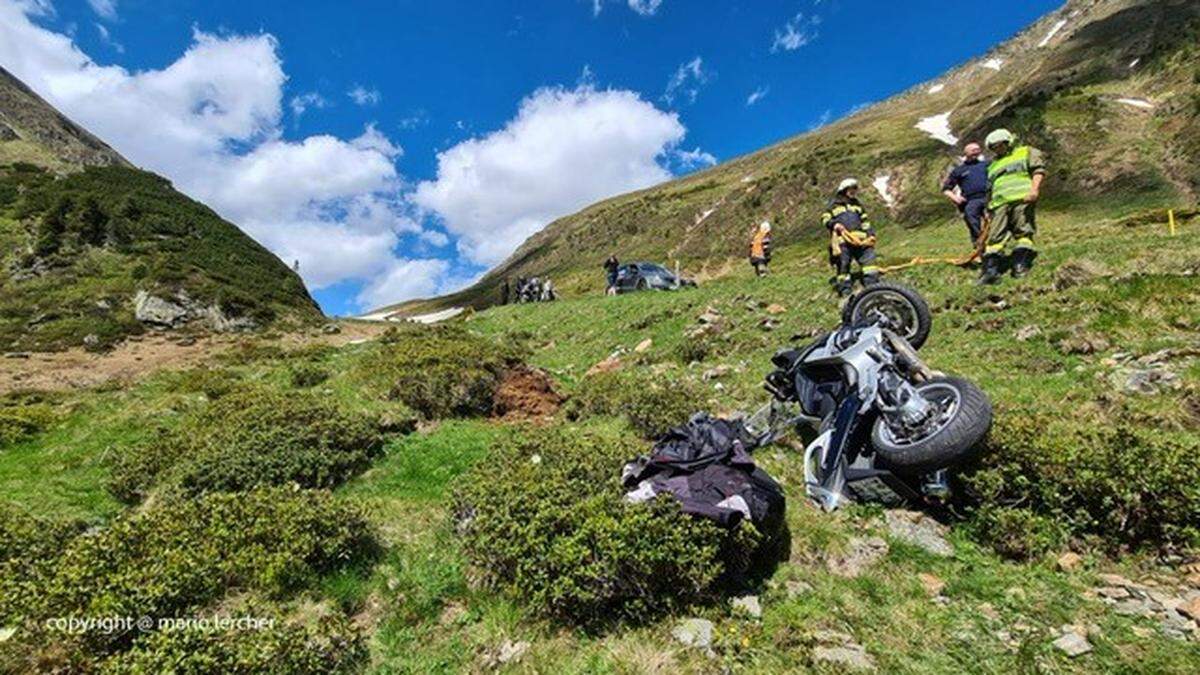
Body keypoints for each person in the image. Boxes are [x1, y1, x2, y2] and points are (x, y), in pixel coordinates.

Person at [979, 129, 1046, 284]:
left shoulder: (1025, 152)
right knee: (995, 237)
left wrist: (1034, 190)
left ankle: (1020, 264)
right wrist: (989, 207)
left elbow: (1038, 170)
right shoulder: (993, 165)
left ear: (1008, 143)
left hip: (1021, 199)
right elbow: (990, 187)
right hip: (999, 204)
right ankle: (991, 270)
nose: (997, 149)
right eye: (993, 147)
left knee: (1023, 232)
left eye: (999, 145)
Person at [822, 178, 880, 297]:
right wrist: (834, 224)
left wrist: (870, 234)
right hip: (843, 241)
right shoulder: (833, 206)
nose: (854, 191)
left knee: (869, 264)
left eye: (855, 189)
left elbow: (865, 222)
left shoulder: (858, 205)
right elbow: (825, 219)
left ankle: (873, 288)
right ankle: (846, 292)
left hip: (862, 241)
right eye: (851, 189)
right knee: (843, 266)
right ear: (843, 190)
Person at [942, 142, 991, 246]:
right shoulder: (959, 170)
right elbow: (946, 189)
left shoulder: (986, 165)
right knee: (971, 218)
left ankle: (994, 245)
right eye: (973, 150)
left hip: (988, 197)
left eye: (978, 150)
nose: (976, 152)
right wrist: (955, 198)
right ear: (966, 152)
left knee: (993, 221)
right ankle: (979, 245)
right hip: (971, 200)